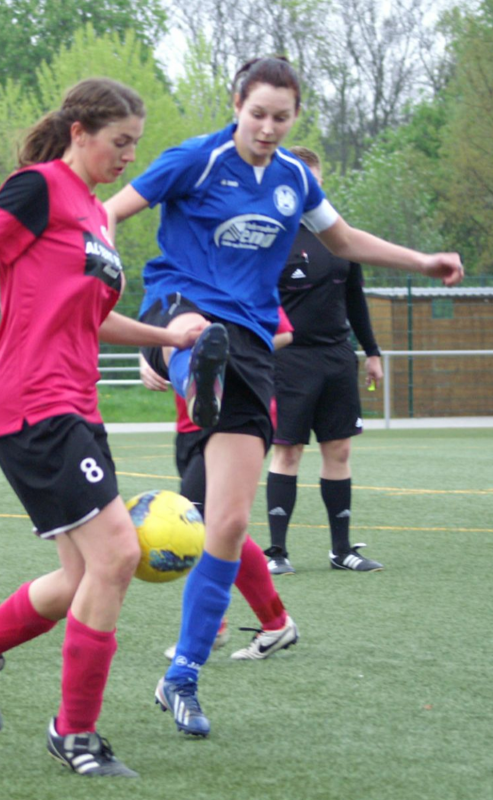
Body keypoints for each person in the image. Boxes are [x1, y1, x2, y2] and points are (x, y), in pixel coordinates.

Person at [105, 56, 463, 739]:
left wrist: (422, 261)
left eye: (281, 116)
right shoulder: (196, 160)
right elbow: (111, 210)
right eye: (257, 113)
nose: (268, 127)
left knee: (229, 524)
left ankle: (181, 675)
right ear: (235, 103)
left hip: (253, 340)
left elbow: (345, 239)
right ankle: (179, 360)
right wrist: (100, 270)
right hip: (184, 308)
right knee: (198, 338)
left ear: (295, 115)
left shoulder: (295, 179)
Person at [0, 77, 206, 779]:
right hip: (29, 400)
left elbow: (91, 316)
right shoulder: (39, 187)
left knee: (82, 574)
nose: (128, 157)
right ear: (79, 132)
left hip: (75, 404)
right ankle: (75, 734)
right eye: (120, 143)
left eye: (135, 145)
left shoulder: (96, 216)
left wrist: (166, 337)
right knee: (115, 556)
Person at [139, 303, 294, 662]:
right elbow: (152, 332)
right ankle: (268, 623)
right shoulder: (172, 278)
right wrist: (147, 361)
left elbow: (284, 331)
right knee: (216, 525)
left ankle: (217, 628)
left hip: (232, 420)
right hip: (190, 420)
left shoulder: (235, 274)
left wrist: (224, 357)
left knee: (201, 521)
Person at [265, 146, 384, 576]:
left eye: (313, 181)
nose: (307, 189)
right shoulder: (271, 237)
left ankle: (341, 550)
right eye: (299, 181)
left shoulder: (341, 238)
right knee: (288, 452)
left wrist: (372, 352)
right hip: (289, 360)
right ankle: (277, 553)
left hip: (337, 357)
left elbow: (356, 300)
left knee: (339, 449)